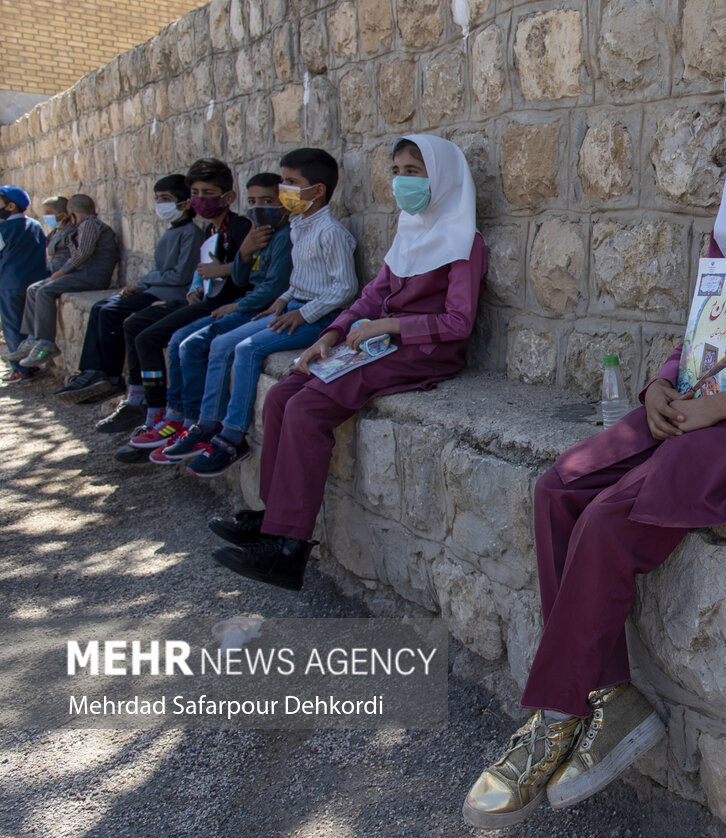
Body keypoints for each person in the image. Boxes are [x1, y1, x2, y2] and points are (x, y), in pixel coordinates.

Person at [461, 52, 726, 829]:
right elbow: (705, 328)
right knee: (560, 486)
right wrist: (660, 387)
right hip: (698, 403)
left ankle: (557, 712)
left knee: (610, 516)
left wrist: (723, 412)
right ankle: (612, 696)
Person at [206, 133, 487, 589]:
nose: (401, 181)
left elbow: (458, 322)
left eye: (413, 172)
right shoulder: (412, 229)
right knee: (282, 394)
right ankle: (271, 519)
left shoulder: (464, 241)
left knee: (308, 407)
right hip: (380, 343)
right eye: (396, 172)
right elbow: (373, 295)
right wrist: (331, 335)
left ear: (442, 178)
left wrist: (389, 327)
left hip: (422, 352)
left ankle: (288, 548)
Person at [180, 147, 359, 476]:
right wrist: (283, 299)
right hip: (292, 307)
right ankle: (208, 424)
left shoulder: (331, 232)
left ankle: (233, 437)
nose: (284, 190)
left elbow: (344, 287)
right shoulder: (299, 226)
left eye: (291, 182)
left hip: (316, 318)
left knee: (247, 350)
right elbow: (300, 279)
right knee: (221, 344)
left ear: (317, 190)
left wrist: (302, 314)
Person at [143, 173, 293, 465]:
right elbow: (241, 275)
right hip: (244, 303)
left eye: (267, 200)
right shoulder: (259, 233)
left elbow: (272, 289)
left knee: (203, 345)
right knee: (179, 342)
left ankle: (207, 423)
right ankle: (185, 419)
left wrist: (238, 307)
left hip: (255, 307)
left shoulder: (283, 237)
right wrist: (246, 250)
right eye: (253, 201)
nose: (259, 206)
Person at [48, 178, 196, 407]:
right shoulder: (171, 231)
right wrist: (142, 285)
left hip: (170, 293)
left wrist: (145, 280)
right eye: (157, 199)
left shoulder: (191, 233)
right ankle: (92, 370)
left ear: (185, 203)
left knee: (113, 312)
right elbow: (163, 271)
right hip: (155, 288)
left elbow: (180, 276)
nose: (160, 204)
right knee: (100, 307)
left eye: (166, 199)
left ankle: (110, 376)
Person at [12, 193, 119, 372]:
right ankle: (32, 338)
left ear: (73, 215)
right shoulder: (83, 226)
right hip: (83, 274)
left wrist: (60, 273)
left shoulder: (90, 225)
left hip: (92, 276)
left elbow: (82, 254)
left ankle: (46, 343)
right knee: (33, 289)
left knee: (44, 291)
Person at [0, 185, 48, 383]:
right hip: (35, 282)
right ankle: (31, 362)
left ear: (10, 206)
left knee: (12, 325)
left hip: (9, 284)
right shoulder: (36, 226)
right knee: (30, 325)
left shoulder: (3, 229)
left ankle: (20, 369)